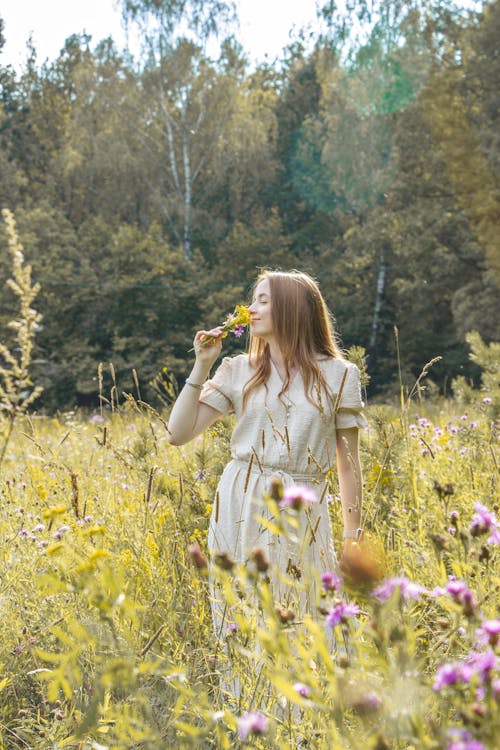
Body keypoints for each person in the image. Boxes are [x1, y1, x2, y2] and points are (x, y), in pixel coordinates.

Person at [167, 270, 366, 638]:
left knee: (301, 612)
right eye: (252, 300)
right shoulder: (239, 370)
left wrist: (353, 533)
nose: (250, 309)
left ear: (292, 309)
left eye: (262, 300)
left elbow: (349, 464)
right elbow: (178, 434)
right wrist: (202, 364)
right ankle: (243, 697)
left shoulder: (340, 375)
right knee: (241, 614)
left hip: (302, 509)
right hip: (240, 503)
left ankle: (297, 696)